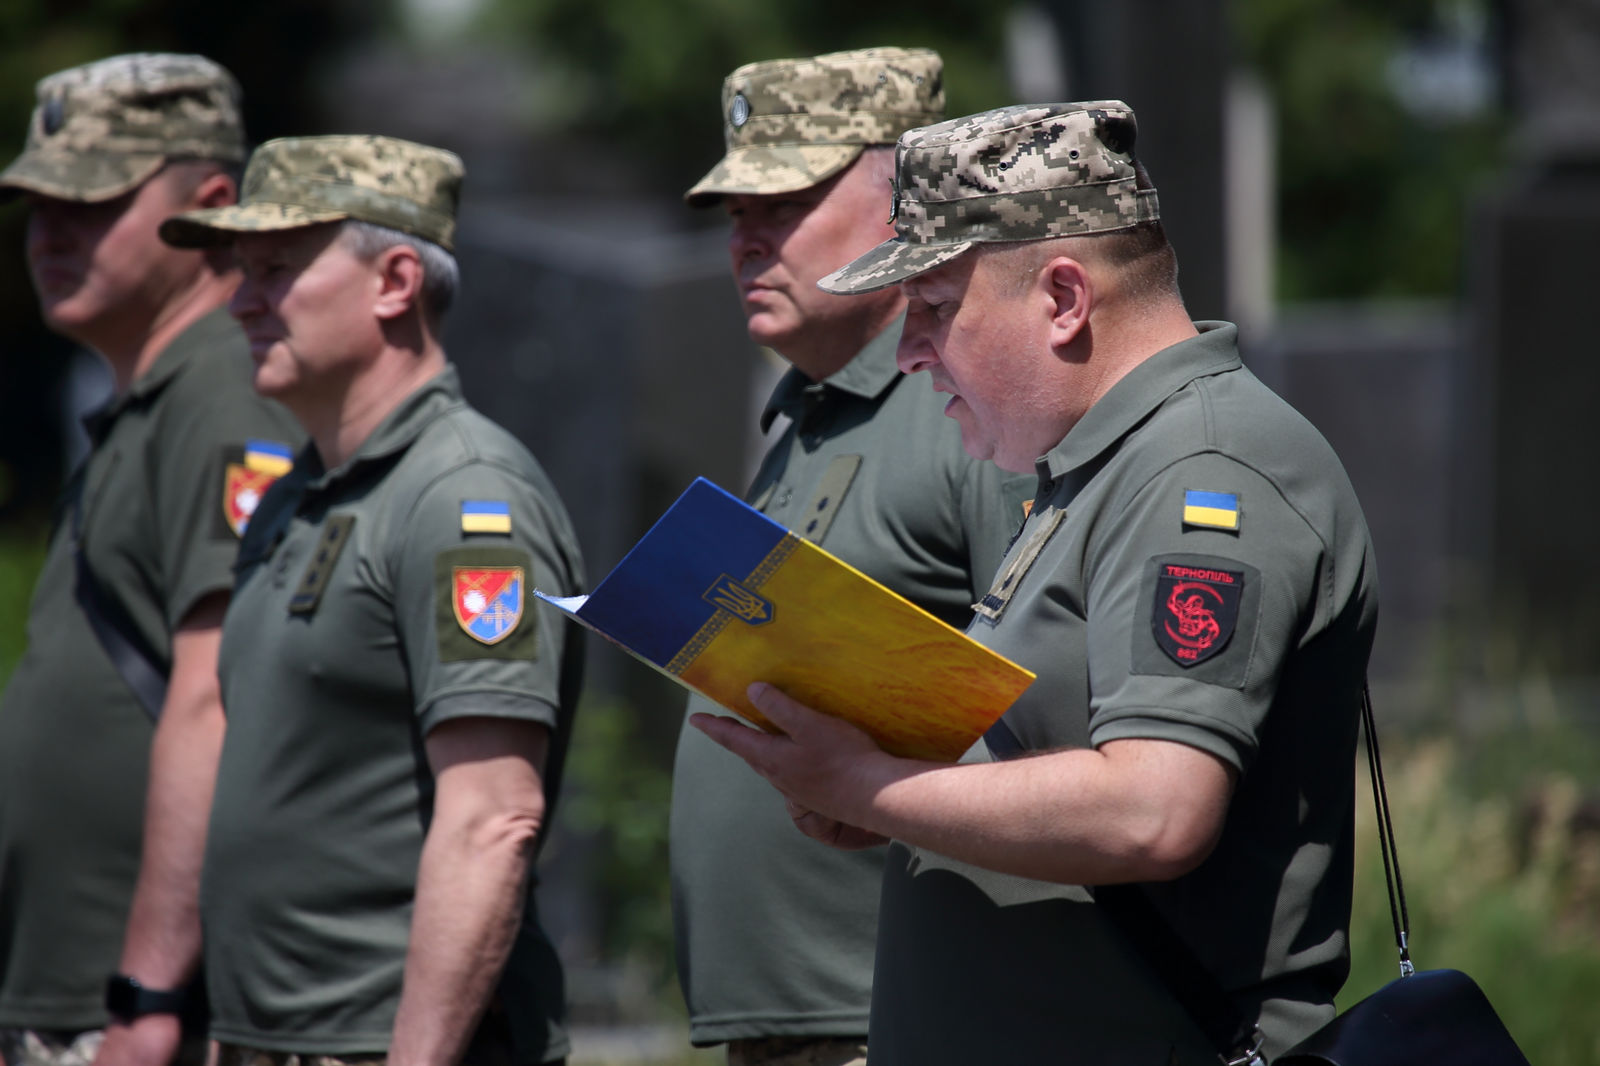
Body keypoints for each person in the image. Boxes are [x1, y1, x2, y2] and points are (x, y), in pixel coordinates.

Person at [693, 101, 1379, 1064]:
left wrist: (870, 786)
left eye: (935, 307)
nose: (910, 351)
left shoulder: (1202, 471)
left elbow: (1152, 811)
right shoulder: (1099, 465)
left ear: (1064, 298)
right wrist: (905, 803)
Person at [157, 134, 585, 1066]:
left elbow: (492, 820)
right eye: (242, 271)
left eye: (276, 269)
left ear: (395, 282)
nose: (241, 301)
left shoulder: (464, 497)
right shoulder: (295, 495)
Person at [672, 47, 1031, 1066]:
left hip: (909, 1020)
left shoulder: (969, 411)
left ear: (901, 206)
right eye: (735, 214)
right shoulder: (806, 415)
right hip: (792, 1027)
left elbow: (1053, 718)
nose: (748, 240)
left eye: (784, 203)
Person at [0, 53, 301, 1066]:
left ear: (211, 209)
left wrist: (148, 992)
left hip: (140, 1014)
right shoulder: (149, 401)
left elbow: (217, 697)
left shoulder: (221, 393)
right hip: (78, 1000)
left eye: (91, 204)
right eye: (39, 207)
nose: (50, 234)